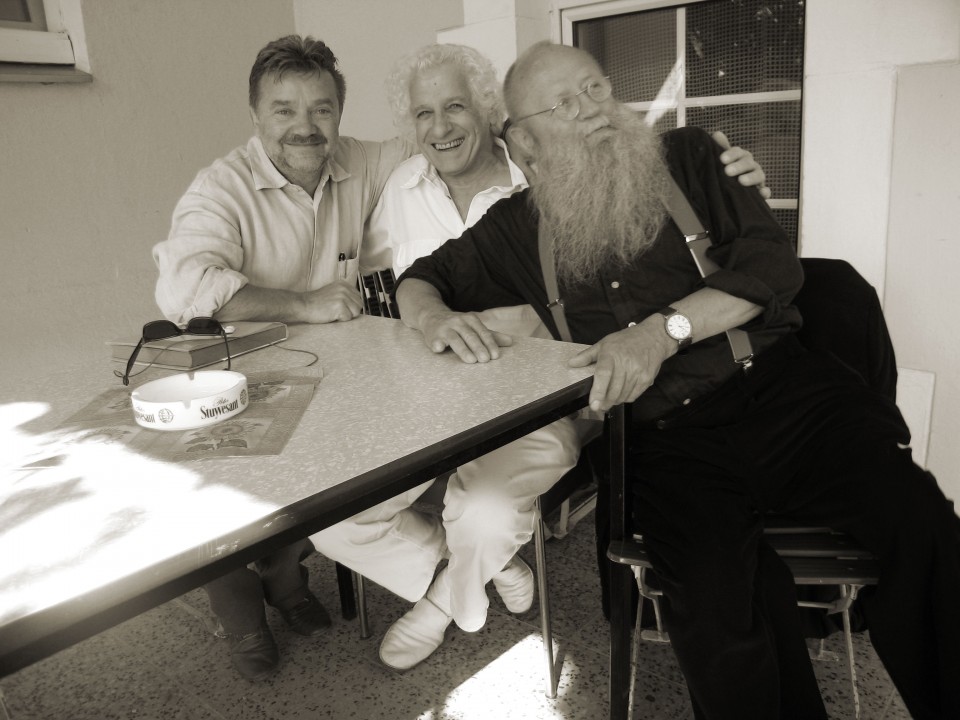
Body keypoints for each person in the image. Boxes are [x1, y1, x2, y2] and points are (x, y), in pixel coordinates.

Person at [395, 41, 960, 719]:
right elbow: (421, 279)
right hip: (664, 441)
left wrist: (660, 333)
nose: (594, 109)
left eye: (597, 89)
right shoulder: (515, 230)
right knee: (715, 603)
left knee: (920, 524)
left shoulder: (692, 157)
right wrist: (434, 319)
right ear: (525, 142)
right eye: (564, 104)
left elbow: (772, 267)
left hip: (782, 396)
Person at [312, 43, 771, 672]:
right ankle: (472, 569)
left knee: (486, 510)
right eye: (424, 114)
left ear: (492, 112)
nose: (441, 127)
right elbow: (406, 283)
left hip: (545, 403)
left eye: (456, 106)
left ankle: (444, 604)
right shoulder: (399, 188)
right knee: (332, 515)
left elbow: (658, 217)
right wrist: (433, 316)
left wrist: (733, 177)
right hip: (433, 401)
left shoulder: (558, 164)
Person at [152, 35, 413, 681]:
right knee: (223, 502)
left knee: (329, 475)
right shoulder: (221, 187)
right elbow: (185, 288)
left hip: (326, 376)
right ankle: (241, 615)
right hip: (232, 378)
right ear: (255, 115)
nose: (305, 126)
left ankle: (285, 577)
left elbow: (430, 141)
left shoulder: (358, 161)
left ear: (339, 113)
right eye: (284, 109)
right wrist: (304, 304)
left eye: (321, 108)